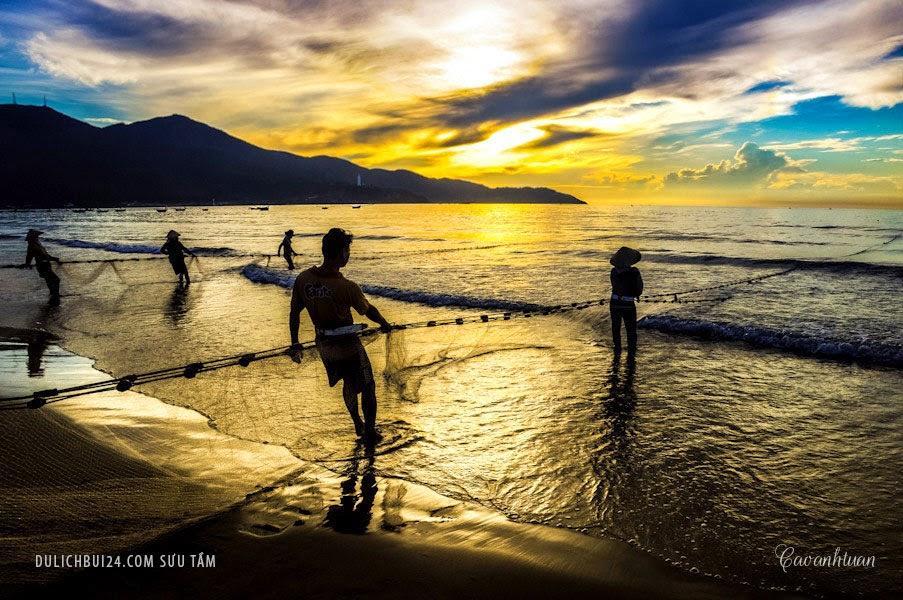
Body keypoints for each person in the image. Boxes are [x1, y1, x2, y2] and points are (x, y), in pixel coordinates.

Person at [289, 228, 392, 441]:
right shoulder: (347, 287)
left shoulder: (303, 280)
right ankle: (370, 432)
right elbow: (368, 310)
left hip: (324, 344)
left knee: (348, 383)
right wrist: (384, 323)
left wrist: (295, 342)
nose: (349, 254)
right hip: (348, 344)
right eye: (347, 250)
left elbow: (294, 313)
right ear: (341, 253)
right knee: (367, 385)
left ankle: (358, 424)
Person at [609, 246, 643, 357]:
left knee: (616, 328)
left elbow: (615, 285)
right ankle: (631, 352)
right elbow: (639, 289)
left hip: (614, 303)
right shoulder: (634, 272)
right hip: (628, 304)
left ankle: (617, 349)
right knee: (631, 330)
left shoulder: (614, 272)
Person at [23, 229, 61, 305]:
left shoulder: (37, 243)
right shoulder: (32, 245)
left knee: (49, 280)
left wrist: (53, 258)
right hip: (42, 266)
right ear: (33, 237)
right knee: (56, 280)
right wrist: (28, 264)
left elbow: (45, 255)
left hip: (46, 265)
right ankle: (54, 295)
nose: (38, 237)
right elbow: (29, 256)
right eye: (36, 235)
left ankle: (53, 295)